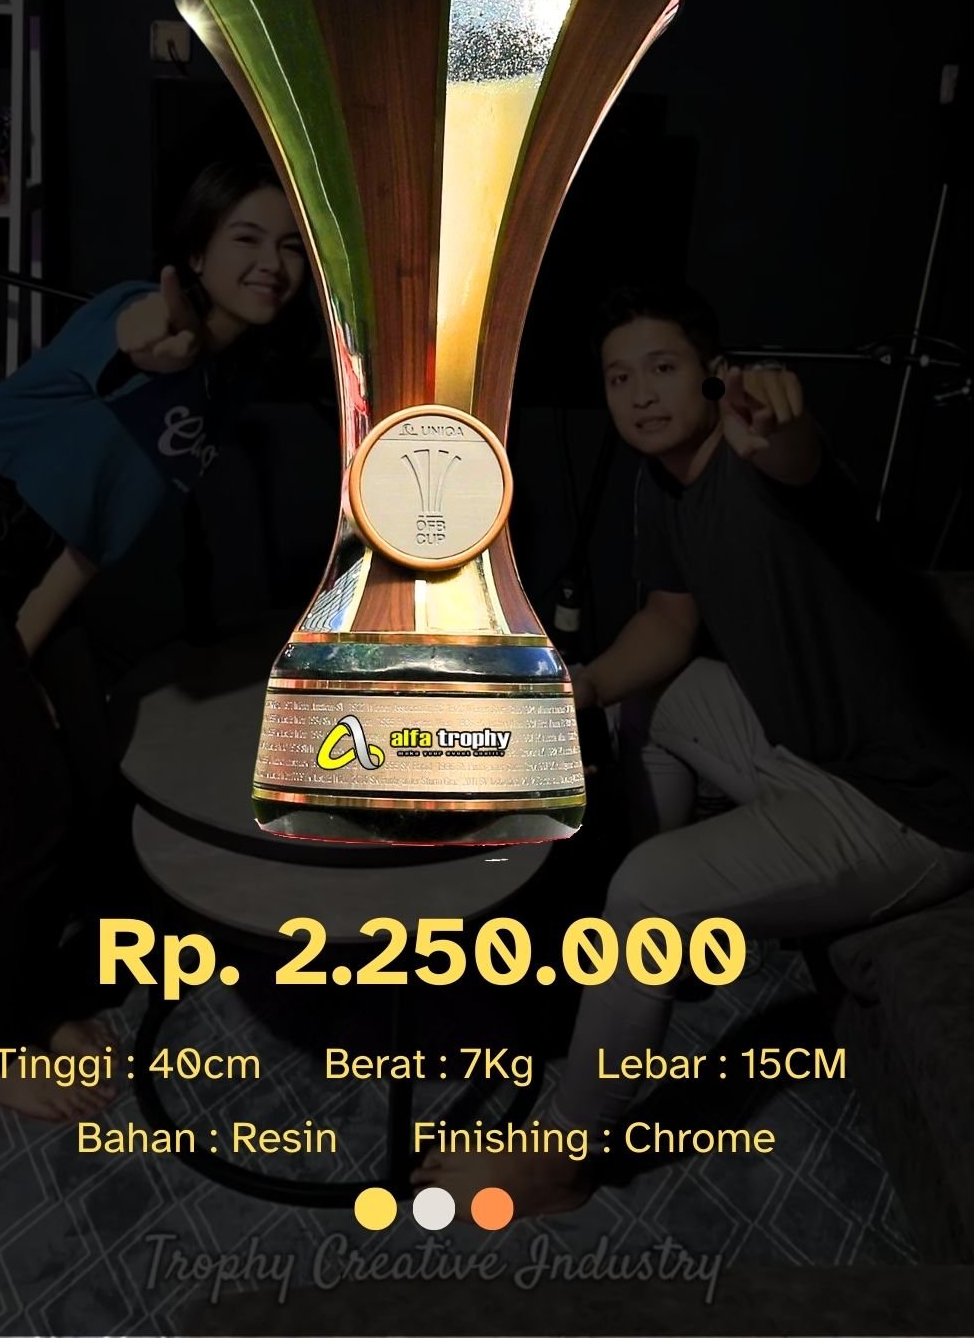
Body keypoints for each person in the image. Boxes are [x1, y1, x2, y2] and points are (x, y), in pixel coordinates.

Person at [413, 281, 974, 1214]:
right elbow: (670, 624)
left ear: (717, 376)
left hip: (907, 809)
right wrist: (582, 686)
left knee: (650, 889)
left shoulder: (761, 458)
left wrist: (782, 423)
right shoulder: (661, 483)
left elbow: (797, 458)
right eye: (618, 377)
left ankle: (566, 1158)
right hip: (804, 753)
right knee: (653, 695)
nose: (640, 394)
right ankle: (650, 962)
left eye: (663, 368)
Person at [0, 155, 308, 1121]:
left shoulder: (225, 389)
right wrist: (162, 339)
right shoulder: (137, 313)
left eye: (292, 248)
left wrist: (19, 657)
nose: (271, 263)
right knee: (24, 806)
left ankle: (36, 997)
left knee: (84, 766)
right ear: (196, 253)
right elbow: (139, 339)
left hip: (18, 568)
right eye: (246, 238)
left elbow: (91, 542)